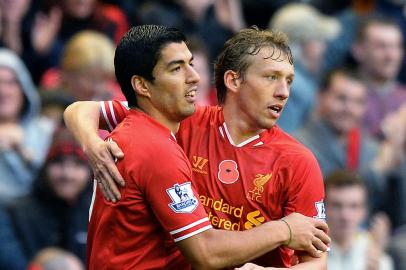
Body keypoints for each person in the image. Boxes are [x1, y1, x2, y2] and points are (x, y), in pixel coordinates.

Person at [64, 26, 329, 268]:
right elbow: (80, 109)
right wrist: (92, 144)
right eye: (271, 77)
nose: (283, 91)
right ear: (233, 81)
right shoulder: (177, 123)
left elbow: (318, 261)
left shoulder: (298, 161)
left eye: (289, 80)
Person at [6, 127, 92, 266]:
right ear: (45, 168)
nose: (67, 175)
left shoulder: (98, 215)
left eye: (78, 164)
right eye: (58, 162)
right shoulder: (16, 214)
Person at [0, 48, 55, 205]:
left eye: (11, 83)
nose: (3, 91)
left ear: (23, 88)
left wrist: (22, 151)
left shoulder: (45, 131)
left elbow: (57, 185)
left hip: (35, 221)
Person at [324, 170, 393, 270]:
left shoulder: (376, 256)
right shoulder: (311, 253)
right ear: (323, 208)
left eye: (354, 206)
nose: (345, 216)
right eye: (336, 205)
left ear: (364, 211)